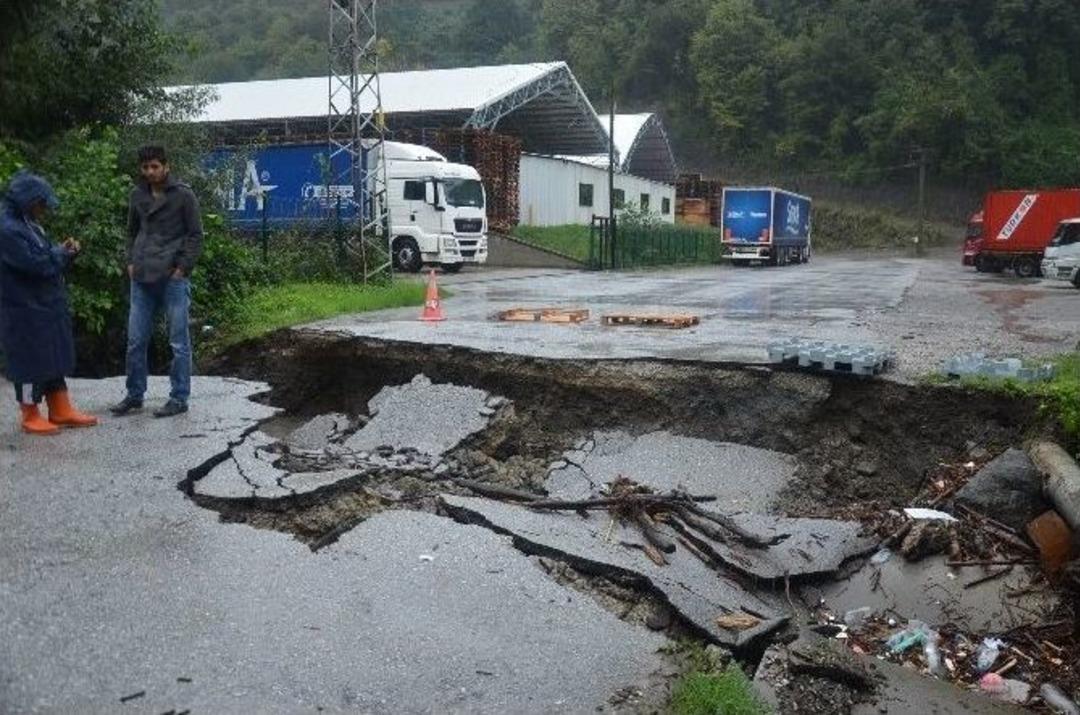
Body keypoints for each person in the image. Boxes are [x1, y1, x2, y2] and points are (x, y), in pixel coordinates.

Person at [0, 170, 98, 435]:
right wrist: (61, 253)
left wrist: (60, 251)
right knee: (29, 361)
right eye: (41, 203)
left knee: (52, 355)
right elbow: (35, 264)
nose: (43, 209)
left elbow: (42, 255)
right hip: (22, 307)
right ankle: (30, 413)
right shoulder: (7, 229)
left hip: (43, 303)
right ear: (28, 200)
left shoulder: (26, 222)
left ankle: (60, 407)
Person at [111, 145, 203, 419]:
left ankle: (179, 397)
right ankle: (134, 394)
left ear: (166, 166)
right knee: (135, 340)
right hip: (141, 276)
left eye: (155, 167)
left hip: (172, 276)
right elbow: (131, 232)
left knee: (178, 341)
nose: (150, 172)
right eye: (145, 167)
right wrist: (130, 261)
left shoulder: (183, 195)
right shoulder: (137, 195)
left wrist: (182, 268)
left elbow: (196, 235)